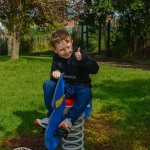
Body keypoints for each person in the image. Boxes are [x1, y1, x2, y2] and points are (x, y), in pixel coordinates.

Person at [35, 29, 99, 133]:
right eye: (61, 50)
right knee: (48, 84)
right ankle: (51, 116)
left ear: (71, 41)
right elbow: (54, 81)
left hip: (81, 87)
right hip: (66, 87)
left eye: (68, 47)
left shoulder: (79, 52)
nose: (66, 51)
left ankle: (68, 120)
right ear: (55, 50)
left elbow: (95, 69)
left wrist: (83, 60)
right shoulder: (56, 58)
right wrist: (55, 73)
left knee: (87, 93)